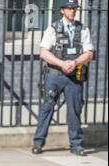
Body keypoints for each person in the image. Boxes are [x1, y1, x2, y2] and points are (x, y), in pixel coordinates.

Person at [32, 0, 94, 156]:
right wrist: (62, 64)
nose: (72, 11)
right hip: (55, 75)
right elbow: (43, 52)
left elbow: (89, 53)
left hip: (74, 77)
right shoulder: (52, 29)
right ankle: (38, 142)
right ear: (62, 10)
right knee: (47, 108)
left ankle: (76, 144)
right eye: (69, 8)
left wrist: (74, 62)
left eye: (74, 8)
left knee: (75, 110)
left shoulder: (83, 29)